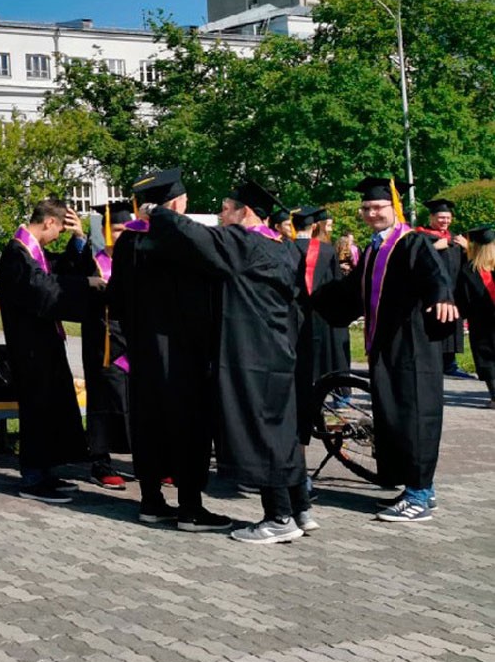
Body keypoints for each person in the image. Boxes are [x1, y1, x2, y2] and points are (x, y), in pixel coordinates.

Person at [148, 181, 308, 544]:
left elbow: (194, 236)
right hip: (279, 355)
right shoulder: (282, 248)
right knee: (281, 433)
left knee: (263, 433)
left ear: (245, 213)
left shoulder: (244, 242)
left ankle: (279, 518)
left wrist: (156, 212)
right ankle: (300, 510)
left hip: (252, 356)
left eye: (225, 207)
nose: (220, 215)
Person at [314, 176, 459, 523]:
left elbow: (434, 274)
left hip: (412, 347)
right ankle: (418, 487)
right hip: (386, 346)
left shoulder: (411, 243)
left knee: (415, 415)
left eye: (377, 207)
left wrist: (442, 296)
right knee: (395, 418)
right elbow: (351, 291)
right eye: (366, 208)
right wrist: (310, 299)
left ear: (393, 207)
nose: (371, 213)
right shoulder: (376, 248)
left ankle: (419, 496)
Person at [107, 169, 220, 528]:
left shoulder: (127, 242)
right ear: (176, 203)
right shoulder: (182, 241)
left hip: (142, 351)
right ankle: (190, 506)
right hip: (183, 352)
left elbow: (117, 300)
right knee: (188, 424)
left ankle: (151, 501)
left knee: (148, 423)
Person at [0, 198, 99, 503]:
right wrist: (85, 284)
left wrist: (80, 239)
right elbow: (42, 288)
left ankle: (46, 472)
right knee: (37, 409)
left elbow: (59, 269)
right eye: (60, 230)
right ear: (49, 222)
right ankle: (32, 478)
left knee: (51, 406)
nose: (58, 237)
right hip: (29, 347)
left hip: (45, 344)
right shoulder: (16, 252)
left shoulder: (34, 251)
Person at [55, 200, 132, 489]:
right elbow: (67, 272)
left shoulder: (137, 257)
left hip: (134, 339)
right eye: (118, 229)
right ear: (107, 231)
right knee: (104, 397)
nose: (123, 235)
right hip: (103, 341)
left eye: (128, 229)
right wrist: (77, 239)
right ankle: (101, 461)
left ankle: (152, 459)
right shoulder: (93, 258)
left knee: (140, 398)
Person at [291, 205, 351, 440]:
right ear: (314, 225)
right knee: (327, 358)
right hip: (322, 313)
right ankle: (333, 401)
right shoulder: (326, 251)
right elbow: (336, 283)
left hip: (295, 316)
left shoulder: (285, 248)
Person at [419, 198, 469, 377]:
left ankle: (450, 364)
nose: (445, 221)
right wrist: (433, 247)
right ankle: (432, 363)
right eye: (441, 217)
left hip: (454, 292)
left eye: (448, 218)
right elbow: (414, 260)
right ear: (431, 217)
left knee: (452, 326)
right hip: (431, 293)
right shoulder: (422, 236)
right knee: (433, 325)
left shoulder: (455, 238)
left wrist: (467, 249)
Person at [454, 225, 495, 409]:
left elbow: (462, 299)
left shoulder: (467, 269)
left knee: (486, 358)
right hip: (483, 320)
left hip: (481, 322)